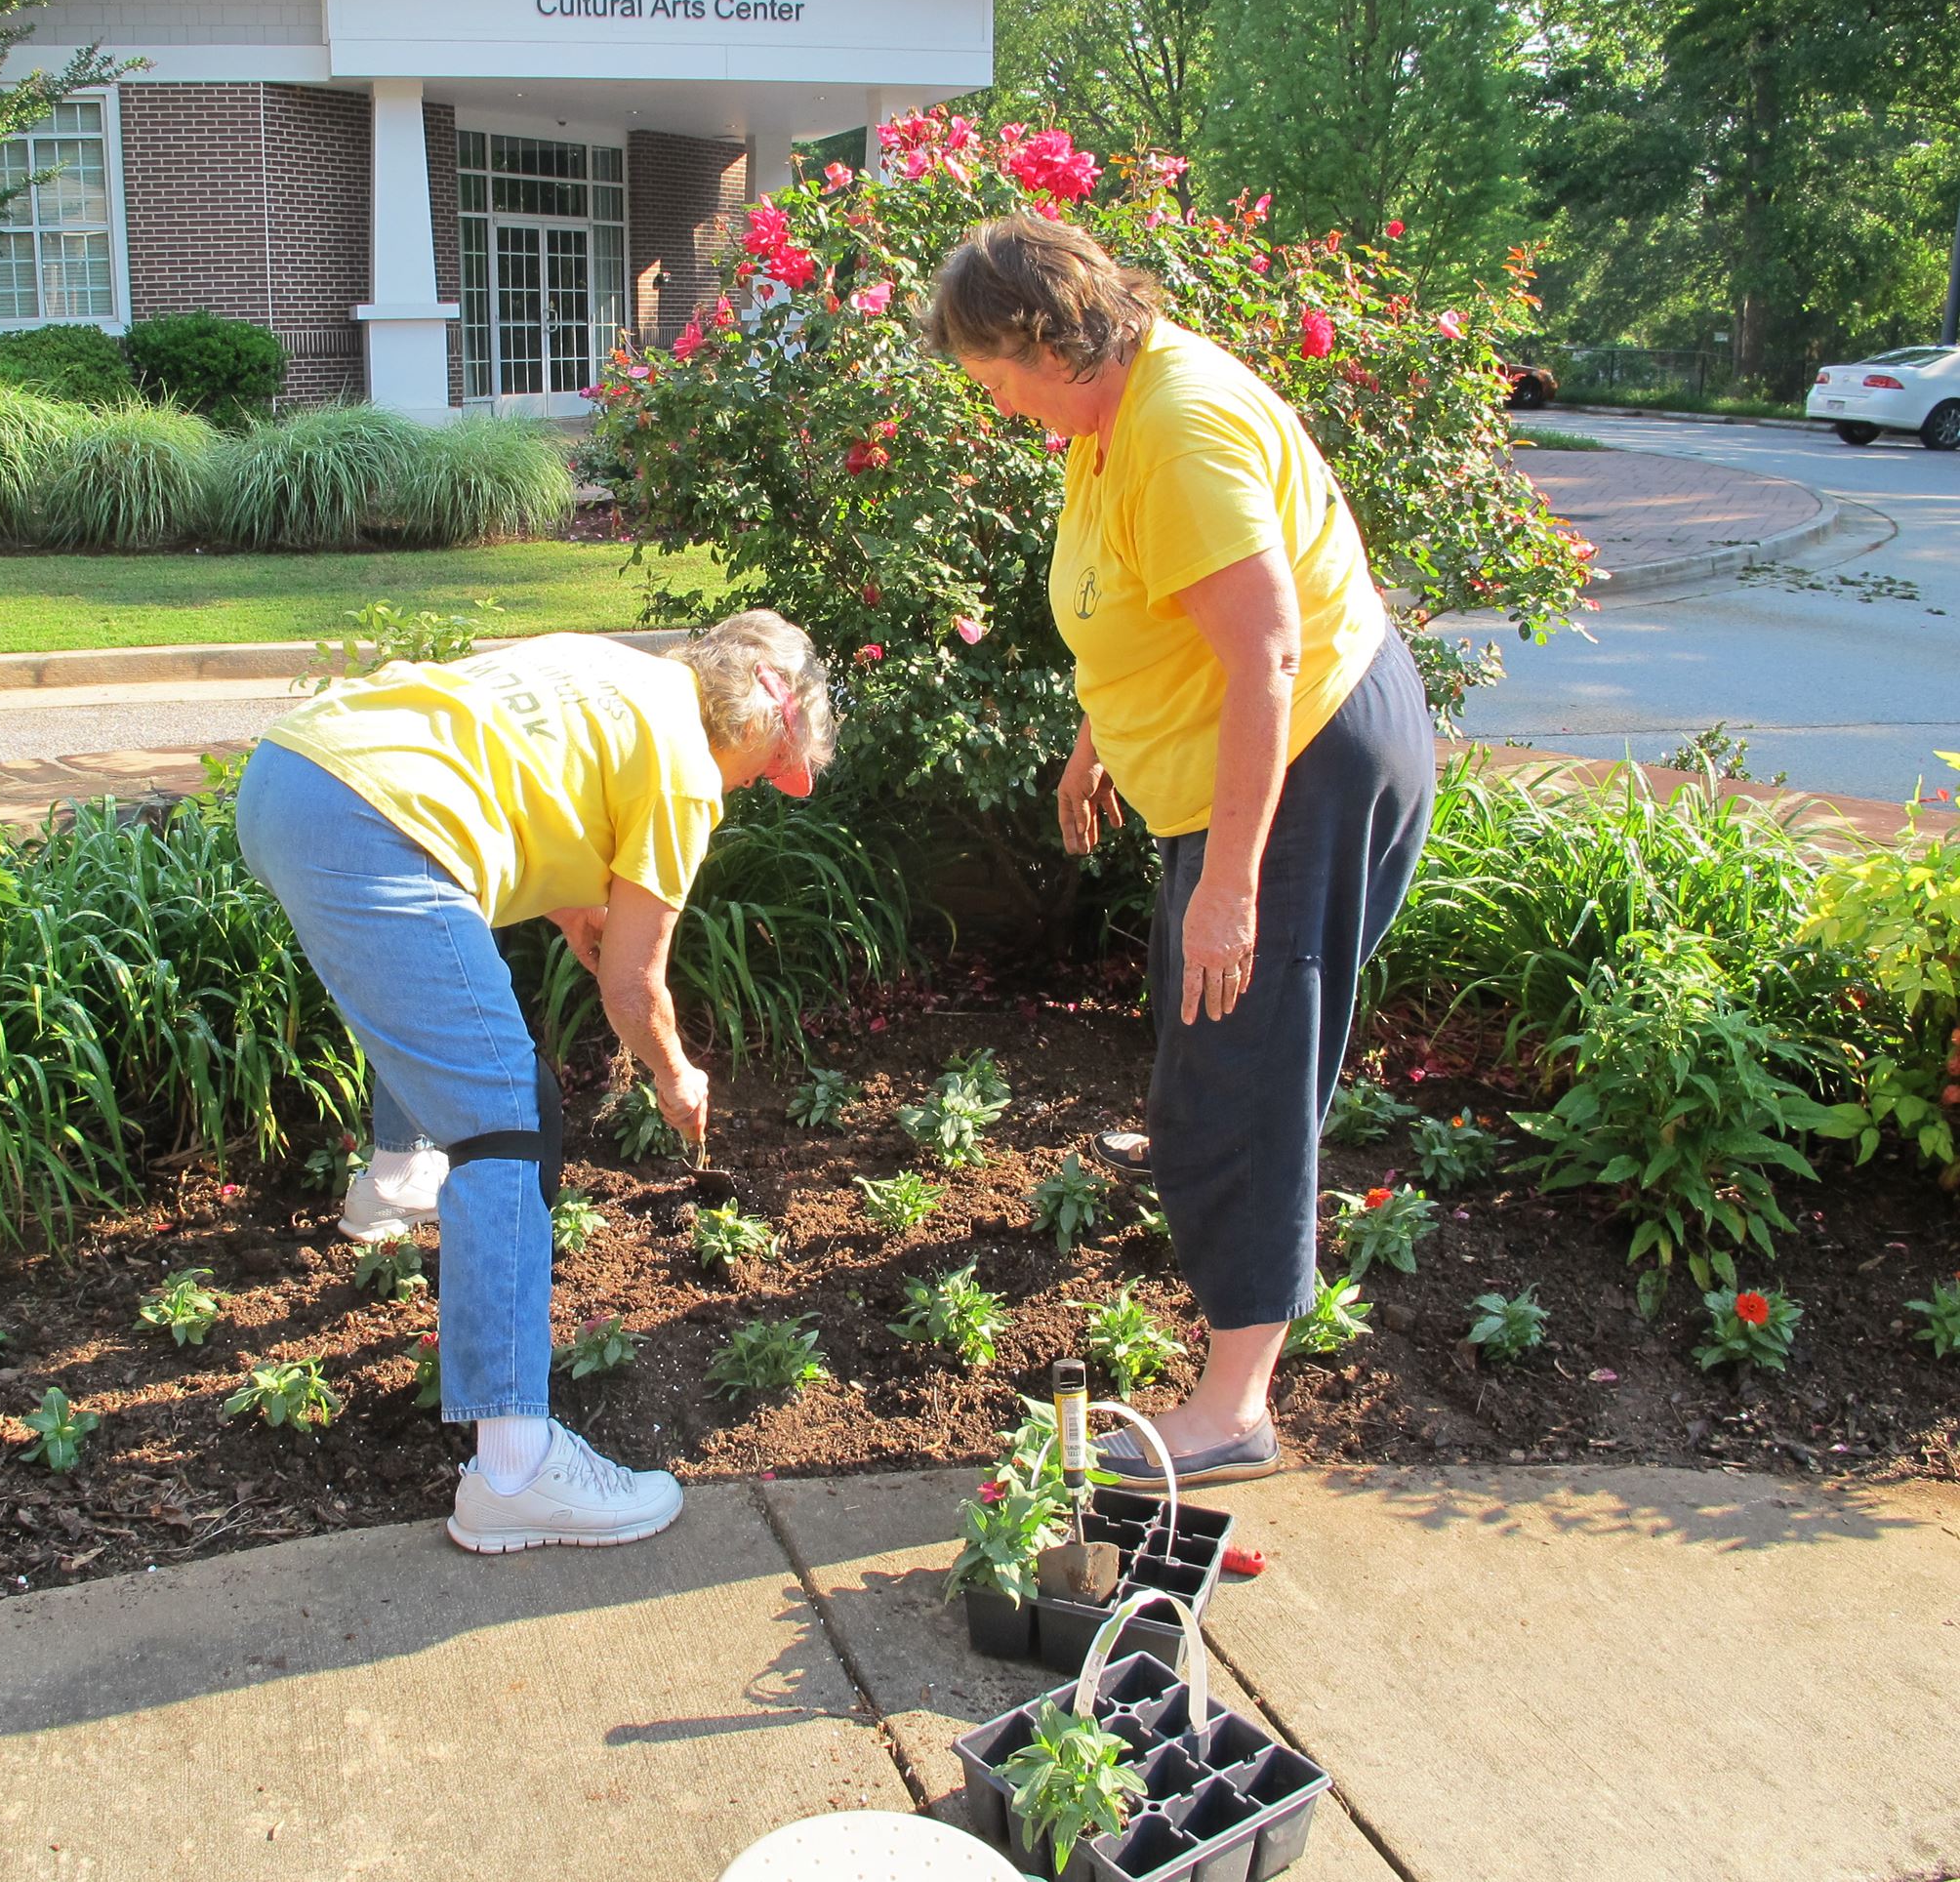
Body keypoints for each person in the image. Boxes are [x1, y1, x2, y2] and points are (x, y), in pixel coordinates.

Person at [923, 212, 1435, 1487]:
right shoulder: (1111, 420)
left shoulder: (1178, 423)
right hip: (1237, 765)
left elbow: (1264, 657)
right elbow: (1138, 602)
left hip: (1302, 758)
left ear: (1046, 337)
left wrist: (1234, 883)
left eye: (995, 380)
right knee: (1209, 1066)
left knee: (1241, 1074)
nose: (997, 407)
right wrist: (1099, 737)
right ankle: (1233, 1353)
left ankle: (1235, 1409)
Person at [235, 612, 835, 1552]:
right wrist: (677, 1075)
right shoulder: (686, 773)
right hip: (372, 825)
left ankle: (395, 1177)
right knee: (511, 1123)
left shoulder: (614, 669)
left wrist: (567, 910)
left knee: (451, 987)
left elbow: (499, 768)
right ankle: (513, 1470)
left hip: (294, 774)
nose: (750, 788)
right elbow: (636, 991)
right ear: (767, 723)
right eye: (763, 774)